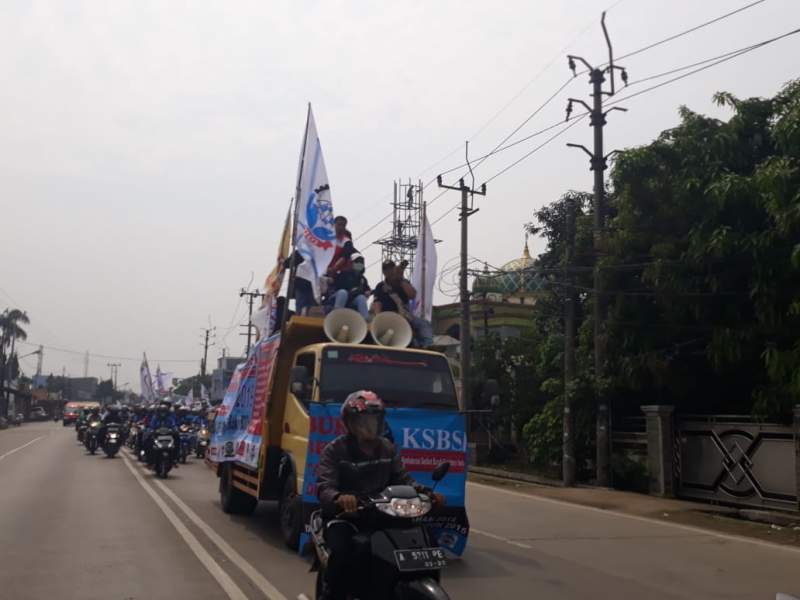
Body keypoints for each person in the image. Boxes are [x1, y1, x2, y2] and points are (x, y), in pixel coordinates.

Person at [315, 390, 444, 600]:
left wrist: (426, 493)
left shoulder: (388, 448)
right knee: (342, 553)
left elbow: (403, 479)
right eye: (363, 421)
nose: (369, 426)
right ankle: (331, 595)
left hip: (383, 514)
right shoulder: (334, 450)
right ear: (350, 423)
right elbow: (324, 485)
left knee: (422, 539)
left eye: (374, 420)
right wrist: (339, 497)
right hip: (346, 517)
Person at [370, 260, 434, 348]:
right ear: (384, 272)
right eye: (386, 270)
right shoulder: (380, 286)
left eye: (391, 268)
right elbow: (377, 303)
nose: (389, 271)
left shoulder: (403, 282)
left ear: (394, 269)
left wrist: (401, 280)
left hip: (403, 315)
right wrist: (378, 317)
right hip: (387, 316)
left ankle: (428, 345)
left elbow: (412, 295)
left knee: (423, 324)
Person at [325, 253, 370, 319]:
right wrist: (351, 291)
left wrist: (367, 292)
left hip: (351, 300)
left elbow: (367, 290)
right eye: (357, 262)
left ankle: (365, 322)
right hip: (338, 297)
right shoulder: (344, 274)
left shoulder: (362, 279)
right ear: (352, 263)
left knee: (361, 298)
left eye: (361, 262)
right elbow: (335, 286)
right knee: (343, 292)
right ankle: (336, 317)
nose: (359, 264)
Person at [145, 401, 179, 466]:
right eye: (161, 411)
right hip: (157, 436)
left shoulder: (169, 418)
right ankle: (149, 459)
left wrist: (175, 430)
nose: (163, 413)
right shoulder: (155, 418)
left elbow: (173, 425)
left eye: (164, 411)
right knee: (147, 441)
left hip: (168, 436)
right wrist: (151, 431)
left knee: (177, 439)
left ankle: (175, 458)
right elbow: (151, 426)